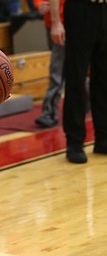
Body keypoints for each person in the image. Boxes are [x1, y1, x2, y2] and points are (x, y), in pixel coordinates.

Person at [49, 0, 107, 163]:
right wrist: (55, 21)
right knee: (76, 78)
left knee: (104, 80)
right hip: (80, 9)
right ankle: (74, 142)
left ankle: (103, 138)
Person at [34, 0, 65, 128]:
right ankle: (87, 101)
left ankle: (50, 113)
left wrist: (56, 22)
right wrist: (39, 4)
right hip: (52, 23)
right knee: (70, 68)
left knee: (57, 69)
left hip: (65, 22)